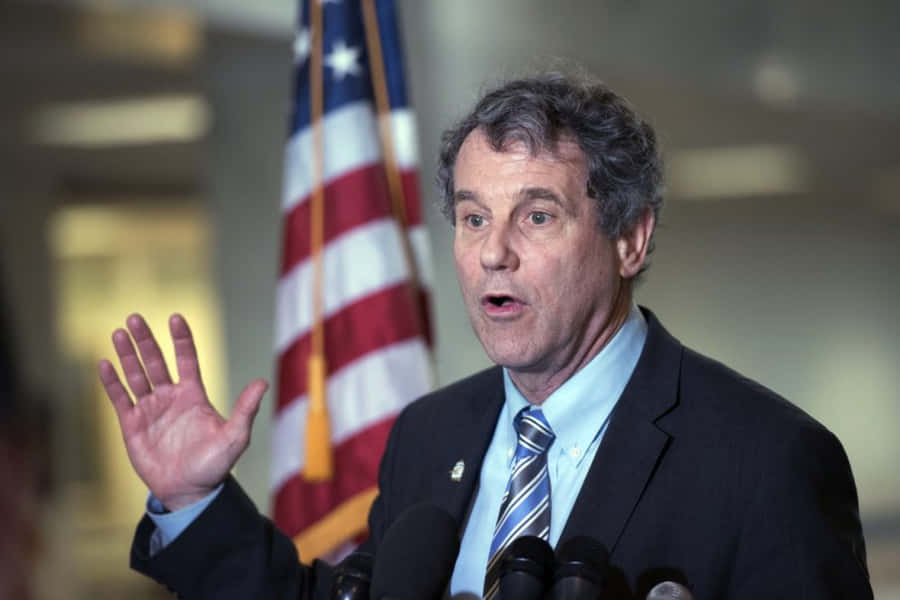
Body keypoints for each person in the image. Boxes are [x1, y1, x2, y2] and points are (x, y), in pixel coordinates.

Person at [99, 72, 872, 599]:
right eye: (473, 218)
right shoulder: (430, 435)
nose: (493, 252)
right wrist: (193, 500)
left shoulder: (769, 461)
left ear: (631, 239)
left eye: (536, 216)